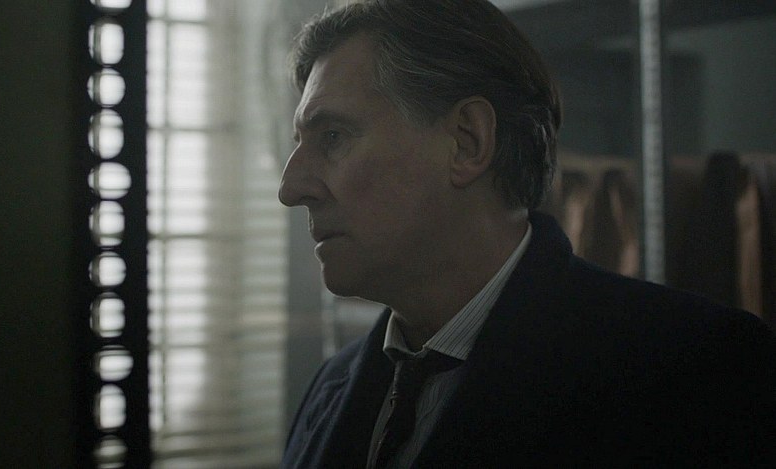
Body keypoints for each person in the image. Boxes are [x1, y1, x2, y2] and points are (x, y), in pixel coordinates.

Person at [277, 0, 776, 467]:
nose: (290, 189)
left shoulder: (696, 371)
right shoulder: (330, 388)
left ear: (468, 141)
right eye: (300, 143)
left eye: (333, 137)